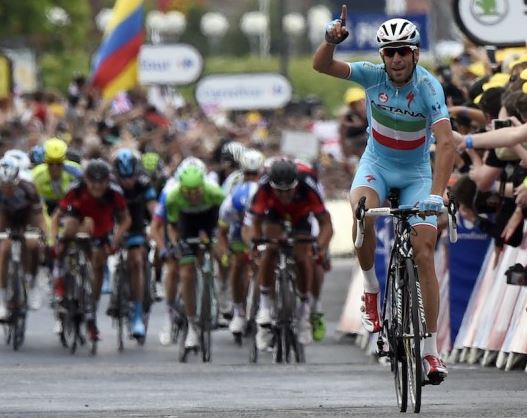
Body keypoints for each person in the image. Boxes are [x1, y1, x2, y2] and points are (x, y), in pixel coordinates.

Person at [313, 7, 456, 383]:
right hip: (376, 163)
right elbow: (322, 67)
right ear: (381, 56)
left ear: (416, 54)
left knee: (424, 250)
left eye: (402, 51)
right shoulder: (371, 75)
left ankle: (430, 353)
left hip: (415, 173)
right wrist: (330, 41)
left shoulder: (428, 87)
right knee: (361, 209)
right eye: (389, 51)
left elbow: (445, 144)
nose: (395, 58)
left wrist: (437, 195)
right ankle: (372, 290)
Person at [248, 158, 333, 349]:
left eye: (289, 190)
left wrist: (318, 247)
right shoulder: (263, 186)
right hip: (274, 215)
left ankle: (303, 313)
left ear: (296, 185)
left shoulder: (308, 184)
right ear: (271, 186)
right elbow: (255, 223)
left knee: (304, 257)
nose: (284, 195)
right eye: (279, 191)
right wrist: (256, 243)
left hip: (301, 215)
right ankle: (264, 307)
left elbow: (326, 224)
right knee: (270, 249)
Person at [51, 159, 131, 341]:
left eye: (101, 182)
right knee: (70, 230)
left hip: (103, 229)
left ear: (107, 180)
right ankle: (60, 276)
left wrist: (115, 241)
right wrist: (55, 240)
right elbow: (57, 217)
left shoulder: (114, 193)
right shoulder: (76, 189)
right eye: (92, 182)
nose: (96, 187)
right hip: (78, 221)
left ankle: (91, 308)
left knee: (98, 262)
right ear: (85, 180)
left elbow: (126, 219)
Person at [165, 164, 225, 349]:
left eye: (196, 191)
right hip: (187, 223)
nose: (192, 196)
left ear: (203, 186)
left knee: (219, 253)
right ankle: (192, 324)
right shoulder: (173, 197)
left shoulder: (216, 193)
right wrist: (176, 244)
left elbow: (225, 223)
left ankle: (221, 295)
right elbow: (172, 226)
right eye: (187, 192)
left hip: (210, 219)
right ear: (181, 188)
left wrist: (220, 244)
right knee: (187, 274)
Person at [109, 149, 157, 339]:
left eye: (131, 177)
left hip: (137, 224)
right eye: (123, 177)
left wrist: (153, 230)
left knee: (136, 260)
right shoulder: (111, 185)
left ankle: (137, 314)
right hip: (115, 224)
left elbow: (155, 212)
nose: (128, 182)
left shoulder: (144, 184)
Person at [0, 156, 48, 319]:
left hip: (26, 219)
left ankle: (31, 283)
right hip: (5, 218)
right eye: (4, 185)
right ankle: (2, 298)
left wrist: (45, 235)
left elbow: (39, 216)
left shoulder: (28, 188)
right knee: (5, 249)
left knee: (33, 245)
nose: (7, 189)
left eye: (11, 185)